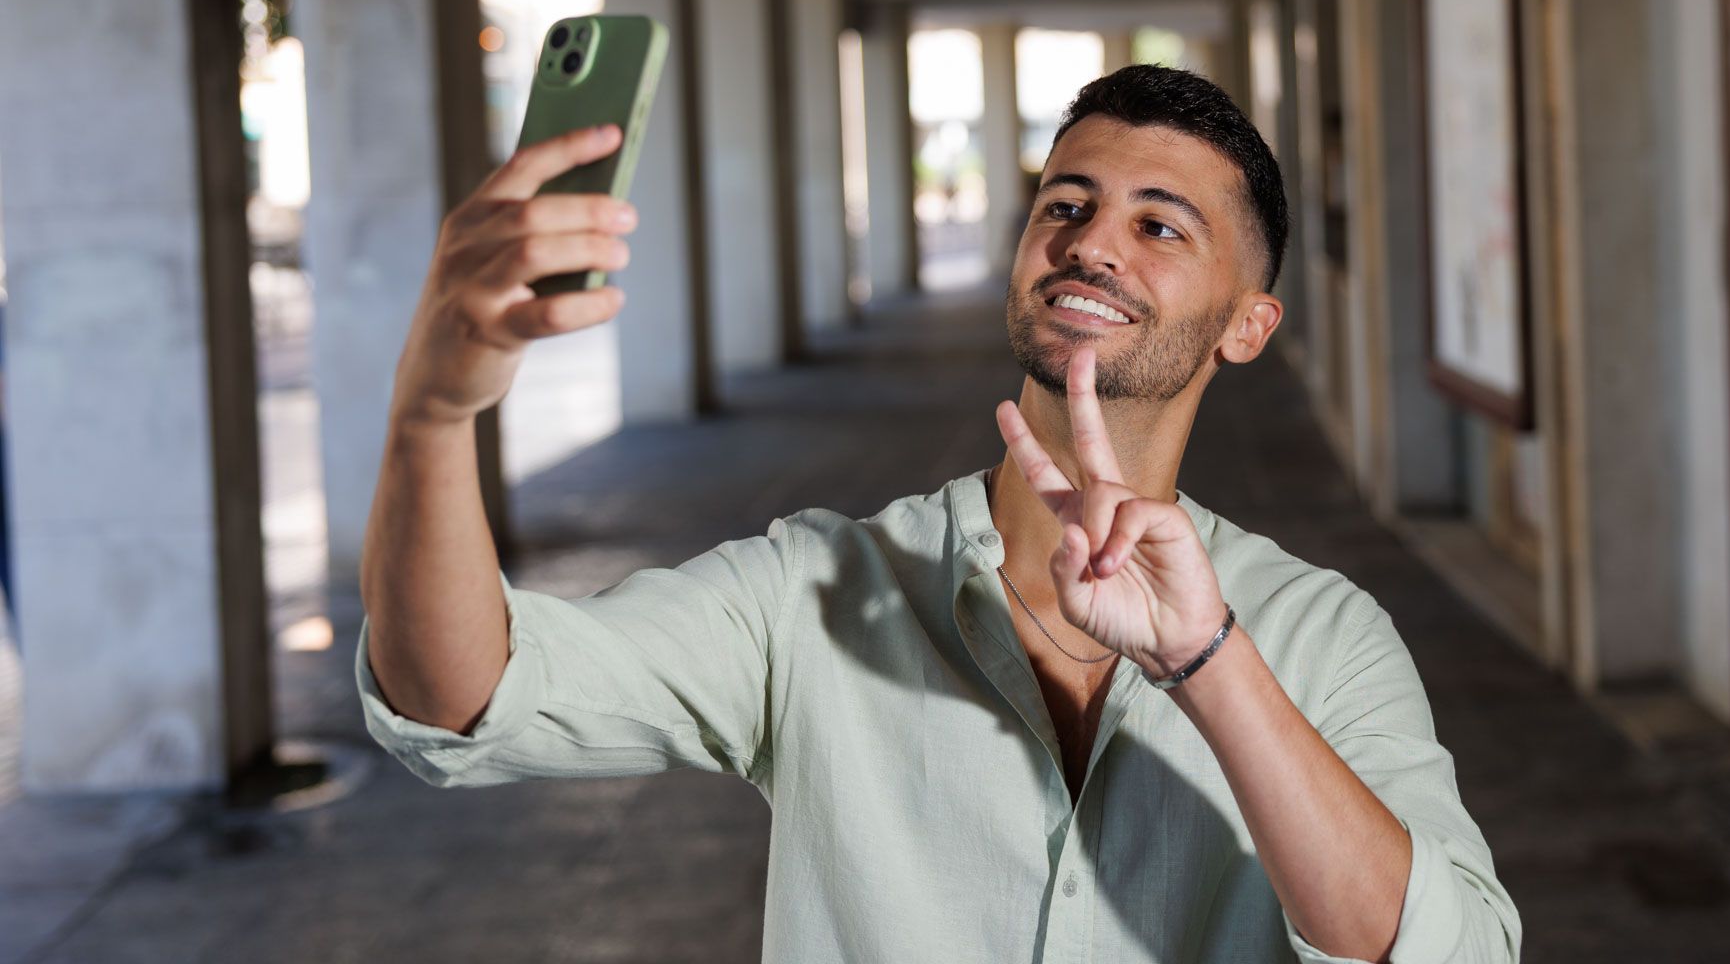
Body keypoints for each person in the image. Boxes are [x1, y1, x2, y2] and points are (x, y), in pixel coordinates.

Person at [358, 64, 1521, 963]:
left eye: (1160, 226)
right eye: (1066, 203)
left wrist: (1209, 664)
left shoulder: (1323, 635)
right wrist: (432, 414)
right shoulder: (813, 594)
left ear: (1247, 325)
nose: (1091, 244)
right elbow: (466, 696)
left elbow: (1450, 949)